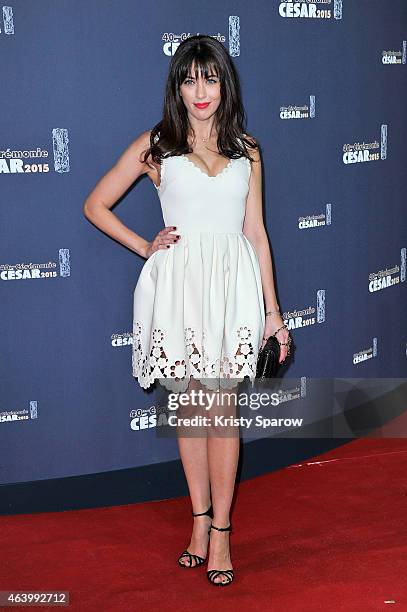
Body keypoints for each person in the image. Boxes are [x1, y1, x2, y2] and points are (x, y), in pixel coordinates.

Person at [83, 34, 291, 586]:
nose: (200, 91)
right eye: (189, 78)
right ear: (177, 85)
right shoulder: (158, 144)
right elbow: (95, 204)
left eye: (211, 77)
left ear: (225, 83)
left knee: (222, 413)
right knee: (192, 412)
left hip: (231, 291)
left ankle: (221, 532)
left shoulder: (248, 150)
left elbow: (257, 232)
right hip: (178, 290)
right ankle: (199, 523)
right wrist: (144, 245)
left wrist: (273, 312)